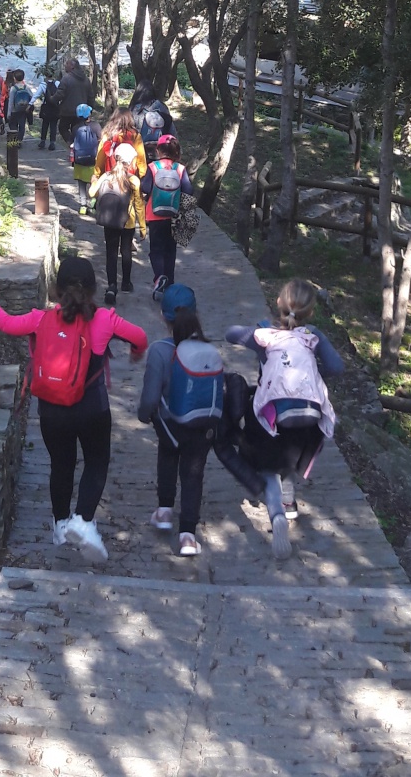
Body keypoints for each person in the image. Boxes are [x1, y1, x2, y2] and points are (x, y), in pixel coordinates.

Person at [0, 256, 148, 564]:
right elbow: (140, 336)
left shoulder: (40, 320)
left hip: (52, 412)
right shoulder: (104, 320)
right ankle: (84, 519)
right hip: (92, 409)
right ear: (92, 289)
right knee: (96, 462)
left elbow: (6, 323)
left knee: (61, 465)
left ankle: (61, 524)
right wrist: (135, 352)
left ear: (56, 288)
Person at [218, 278, 344, 560]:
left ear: (278, 302)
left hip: (273, 414)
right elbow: (337, 367)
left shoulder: (265, 333)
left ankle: (277, 514)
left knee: (267, 463)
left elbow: (229, 334)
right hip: (309, 415)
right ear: (311, 312)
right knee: (289, 453)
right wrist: (313, 371)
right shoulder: (312, 335)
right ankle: (289, 502)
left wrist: (258, 332)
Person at [137, 288, 219, 557]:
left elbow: (151, 397)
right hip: (201, 426)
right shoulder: (208, 349)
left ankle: (164, 511)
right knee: (194, 475)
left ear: (164, 317)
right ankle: (187, 536)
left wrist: (144, 415)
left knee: (168, 455)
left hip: (171, 425)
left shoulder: (160, 351)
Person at [89, 142, 145, 305]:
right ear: (131, 161)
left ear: (115, 159)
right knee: (126, 251)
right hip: (128, 221)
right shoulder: (133, 180)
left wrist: (94, 181)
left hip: (110, 220)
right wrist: (143, 227)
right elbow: (139, 205)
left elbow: (92, 193)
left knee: (111, 252)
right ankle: (126, 283)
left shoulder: (106, 176)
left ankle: (111, 286)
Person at [140, 135, 194, 299]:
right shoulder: (180, 169)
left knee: (156, 250)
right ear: (176, 151)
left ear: (158, 150)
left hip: (154, 215)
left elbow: (145, 187)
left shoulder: (153, 167)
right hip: (174, 216)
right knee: (170, 250)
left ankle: (159, 278)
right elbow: (188, 191)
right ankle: (169, 284)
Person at [92, 108, 147, 179]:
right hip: (130, 177)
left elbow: (100, 158)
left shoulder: (108, 135)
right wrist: (141, 175)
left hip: (111, 177)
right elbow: (141, 159)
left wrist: (97, 175)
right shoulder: (135, 136)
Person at [130, 78, 177, 154]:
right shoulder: (162, 107)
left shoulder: (134, 109)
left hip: (140, 150)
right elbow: (171, 128)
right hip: (160, 149)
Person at [71, 103, 102, 213]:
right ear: (89, 114)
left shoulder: (75, 128)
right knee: (94, 182)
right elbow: (102, 140)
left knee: (81, 183)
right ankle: (93, 202)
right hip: (93, 160)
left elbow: (72, 142)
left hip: (79, 161)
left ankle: (83, 206)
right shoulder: (96, 126)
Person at [57, 58, 95, 145]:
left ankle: (72, 143)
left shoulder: (66, 78)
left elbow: (59, 94)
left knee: (63, 128)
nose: (65, 66)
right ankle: (77, 145)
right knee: (77, 129)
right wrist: (90, 109)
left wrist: (52, 99)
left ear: (72, 66)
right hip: (82, 112)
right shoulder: (86, 79)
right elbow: (91, 96)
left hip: (67, 111)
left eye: (67, 64)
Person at [31, 71, 60, 150]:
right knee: (53, 125)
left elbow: (37, 94)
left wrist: (30, 103)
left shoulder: (43, 84)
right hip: (55, 107)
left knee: (45, 124)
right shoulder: (58, 83)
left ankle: (43, 141)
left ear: (45, 76)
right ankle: (52, 142)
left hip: (46, 107)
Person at [6, 68, 32, 146]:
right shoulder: (26, 87)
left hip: (14, 111)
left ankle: (15, 140)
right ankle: (20, 140)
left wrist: (8, 113)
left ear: (14, 78)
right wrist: (28, 106)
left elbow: (10, 102)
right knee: (22, 126)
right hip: (23, 110)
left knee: (13, 126)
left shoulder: (13, 89)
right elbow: (32, 97)